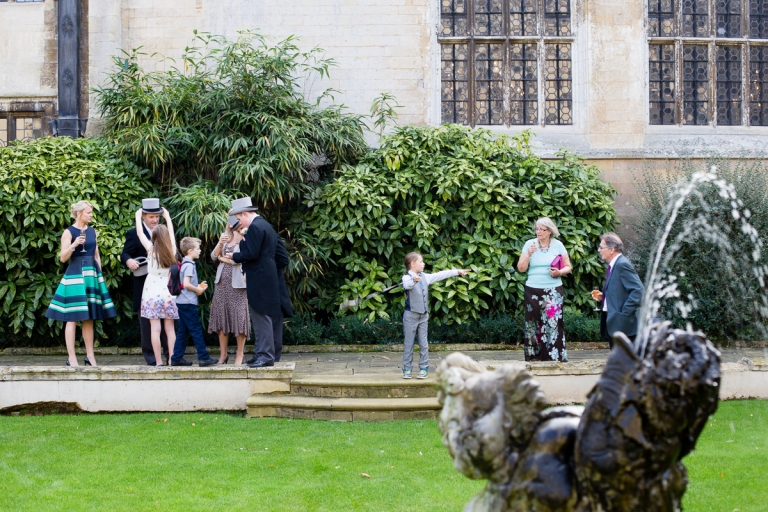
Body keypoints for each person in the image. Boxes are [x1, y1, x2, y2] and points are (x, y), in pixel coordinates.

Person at [46, 200, 117, 366]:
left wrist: (99, 276)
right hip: (75, 275)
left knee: (89, 318)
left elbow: (96, 254)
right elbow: (63, 258)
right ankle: (72, 358)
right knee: (71, 318)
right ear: (79, 214)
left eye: (91, 212)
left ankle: (90, 357)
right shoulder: (68, 232)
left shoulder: (92, 231)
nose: (91, 215)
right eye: (88, 212)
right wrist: (74, 245)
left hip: (91, 275)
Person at [230, 197, 286, 368]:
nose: (240, 222)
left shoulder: (255, 227)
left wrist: (234, 256)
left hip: (259, 276)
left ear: (245, 214)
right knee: (263, 316)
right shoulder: (266, 225)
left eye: (239, 219)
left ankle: (265, 355)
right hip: (267, 275)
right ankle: (261, 353)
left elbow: (252, 254)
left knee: (261, 317)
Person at [401, 252, 469, 379]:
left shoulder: (425, 277)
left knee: (424, 343)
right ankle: (407, 369)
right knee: (408, 343)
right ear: (413, 264)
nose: (423, 263)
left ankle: (424, 368)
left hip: (423, 316)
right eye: (421, 261)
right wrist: (414, 280)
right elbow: (407, 285)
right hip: (410, 316)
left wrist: (457, 272)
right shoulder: (406, 278)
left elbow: (440, 275)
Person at [516, 217, 572, 362]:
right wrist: (528, 254)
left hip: (553, 291)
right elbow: (521, 269)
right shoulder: (530, 244)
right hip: (533, 290)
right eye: (537, 229)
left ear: (550, 231)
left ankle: (554, 357)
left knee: (553, 322)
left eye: (542, 229)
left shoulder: (558, 245)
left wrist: (559, 272)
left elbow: (568, 266)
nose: (538, 232)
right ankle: (534, 357)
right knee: (533, 324)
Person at [121, 198, 169, 365]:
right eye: (151, 217)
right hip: (143, 282)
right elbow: (125, 254)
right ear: (143, 217)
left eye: (157, 216)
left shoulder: (165, 232)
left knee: (168, 321)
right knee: (147, 321)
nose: (154, 220)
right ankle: (151, 357)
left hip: (164, 283)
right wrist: (129, 261)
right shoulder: (134, 233)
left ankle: (171, 355)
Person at [134, 207, 178, 366]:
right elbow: (171, 235)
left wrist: (138, 216)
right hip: (168, 291)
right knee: (170, 329)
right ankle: (173, 359)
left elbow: (140, 234)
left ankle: (158, 361)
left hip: (151, 291)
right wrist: (167, 218)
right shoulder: (172, 250)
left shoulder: (151, 250)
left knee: (155, 328)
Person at [209, 216, 250, 365]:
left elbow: (243, 259)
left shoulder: (246, 236)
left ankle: (240, 354)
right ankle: (223, 354)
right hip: (221, 283)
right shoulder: (226, 236)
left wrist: (225, 259)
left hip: (238, 284)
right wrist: (220, 244)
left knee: (239, 318)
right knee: (222, 318)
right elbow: (213, 256)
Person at [171, 237, 218, 367]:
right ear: (190, 251)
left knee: (183, 331)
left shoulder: (185, 264)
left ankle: (176, 358)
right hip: (187, 302)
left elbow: (185, 284)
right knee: (196, 330)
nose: (200, 251)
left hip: (183, 301)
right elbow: (186, 284)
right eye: (198, 249)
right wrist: (197, 289)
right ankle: (203, 358)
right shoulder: (189, 265)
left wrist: (197, 285)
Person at [593, 232, 644, 347]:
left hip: (622, 325)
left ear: (612, 249)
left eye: (601, 247)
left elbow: (638, 290)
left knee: (624, 363)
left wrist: (624, 313)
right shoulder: (614, 264)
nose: (599, 250)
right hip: (614, 323)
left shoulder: (622, 264)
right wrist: (604, 297)